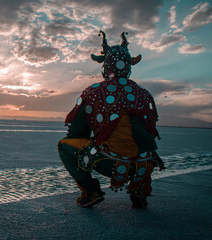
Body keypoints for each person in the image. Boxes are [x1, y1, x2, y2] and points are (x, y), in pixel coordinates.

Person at [58, 31, 164, 209]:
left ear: (105, 66)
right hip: (144, 166)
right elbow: (150, 132)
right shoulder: (145, 94)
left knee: (64, 145)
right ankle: (139, 189)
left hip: (112, 163)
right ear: (128, 66)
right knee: (144, 148)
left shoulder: (93, 91)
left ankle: (90, 191)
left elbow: (77, 131)